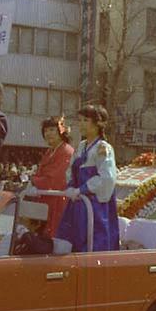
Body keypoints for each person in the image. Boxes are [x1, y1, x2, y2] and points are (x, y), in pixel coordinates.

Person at [55, 105, 119, 252]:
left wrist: (82, 189)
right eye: (80, 120)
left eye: (86, 120)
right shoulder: (81, 146)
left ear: (98, 124)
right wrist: (71, 187)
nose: (81, 124)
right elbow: (71, 170)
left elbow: (107, 178)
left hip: (95, 205)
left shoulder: (104, 148)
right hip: (78, 201)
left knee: (94, 240)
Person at [25, 116, 75, 237]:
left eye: (52, 130)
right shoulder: (50, 152)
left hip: (58, 201)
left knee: (53, 236)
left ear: (61, 131)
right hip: (46, 199)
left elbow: (56, 179)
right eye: (46, 131)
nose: (48, 133)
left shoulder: (66, 151)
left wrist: (33, 181)